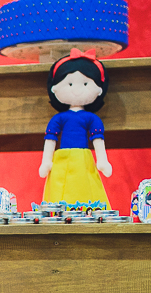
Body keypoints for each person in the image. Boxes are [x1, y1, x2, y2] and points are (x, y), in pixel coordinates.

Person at [38, 48, 113, 210]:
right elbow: (50, 139)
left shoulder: (91, 119)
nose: (76, 89)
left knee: (85, 183)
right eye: (70, 84)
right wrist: (46, 162)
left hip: (83, 158)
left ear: (99, 89)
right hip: (61, 159)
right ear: (55, 88)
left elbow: (98, 139)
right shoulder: (59, 119)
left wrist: (102, 161)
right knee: (60, 187)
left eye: (85, 84)